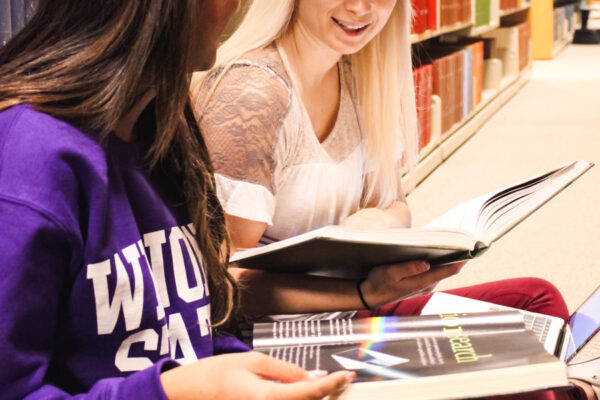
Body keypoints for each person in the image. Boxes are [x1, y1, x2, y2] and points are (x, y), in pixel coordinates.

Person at [0, 0, 471, 399]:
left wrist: (259, 372)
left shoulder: (164, 131)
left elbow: (198, 323)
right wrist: (177, 389)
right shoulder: (30, 163)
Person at [192, 0, 598, 399]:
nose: (361, 8)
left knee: (538, 301)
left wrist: (375, 225)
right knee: (527, 383)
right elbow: (223, 288)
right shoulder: (251, 96)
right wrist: (364, 293)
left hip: (349, 312)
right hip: (277, 339)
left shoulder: (359, 76)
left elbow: (394, 203)